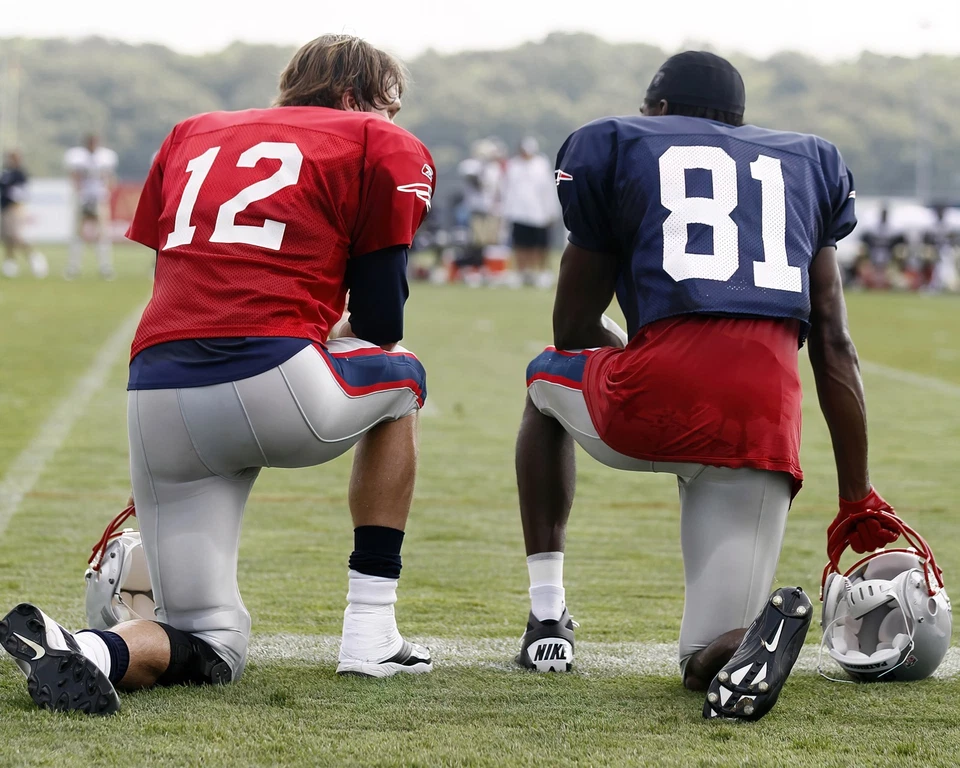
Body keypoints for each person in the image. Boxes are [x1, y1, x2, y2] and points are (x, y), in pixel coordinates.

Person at [0, 33, 436, 715]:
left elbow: (181, 278)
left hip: (157, 393)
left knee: (210, 639)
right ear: (355, 97)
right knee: (403, 375)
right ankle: (371, 633)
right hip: (278, 384)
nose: (394, 121)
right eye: (390, 106)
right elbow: (382, 321)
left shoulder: (191, 134)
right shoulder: (371, 141)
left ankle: (86, 649)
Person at [514, 51, 904, 721]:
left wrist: (644, 365)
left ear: (660, 109)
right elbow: (835, 345)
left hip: (651, 392)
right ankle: (744, 640)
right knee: (707, 659)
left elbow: (573, 327)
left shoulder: (617, 145)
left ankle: (547, 618)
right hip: (762, 420)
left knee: (544, 375)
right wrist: (856, 496)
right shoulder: (809, 164)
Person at [501, 136, 559, 287]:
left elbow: (548, 190)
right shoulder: (513, 166)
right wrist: (505, 211)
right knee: (520, 245)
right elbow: (507, 189)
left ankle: (541, 272)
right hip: (518, 212)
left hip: (539, 213)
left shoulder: (541, 165)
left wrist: (551, 211)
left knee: (540, 246)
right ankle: (522, 272)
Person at [63, 133, 118, 280]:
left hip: (99, 198)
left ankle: (105, 266)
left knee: (103, 234)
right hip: (83, 198)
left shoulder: (106, 157)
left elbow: (110, 178)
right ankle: (73, 266)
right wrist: (79, 194)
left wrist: (106, 192)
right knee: (77, 234)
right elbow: (74, 177)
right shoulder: (77, 157)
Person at [0, 150, 47, 278]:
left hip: (15, 208)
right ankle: (10, 263)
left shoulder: (20, 174)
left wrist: (13, 196)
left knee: (16, 236)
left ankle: (34, 257)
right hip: (4, 209)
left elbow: (23, 192)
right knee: (7, 238)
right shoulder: (5, 173)